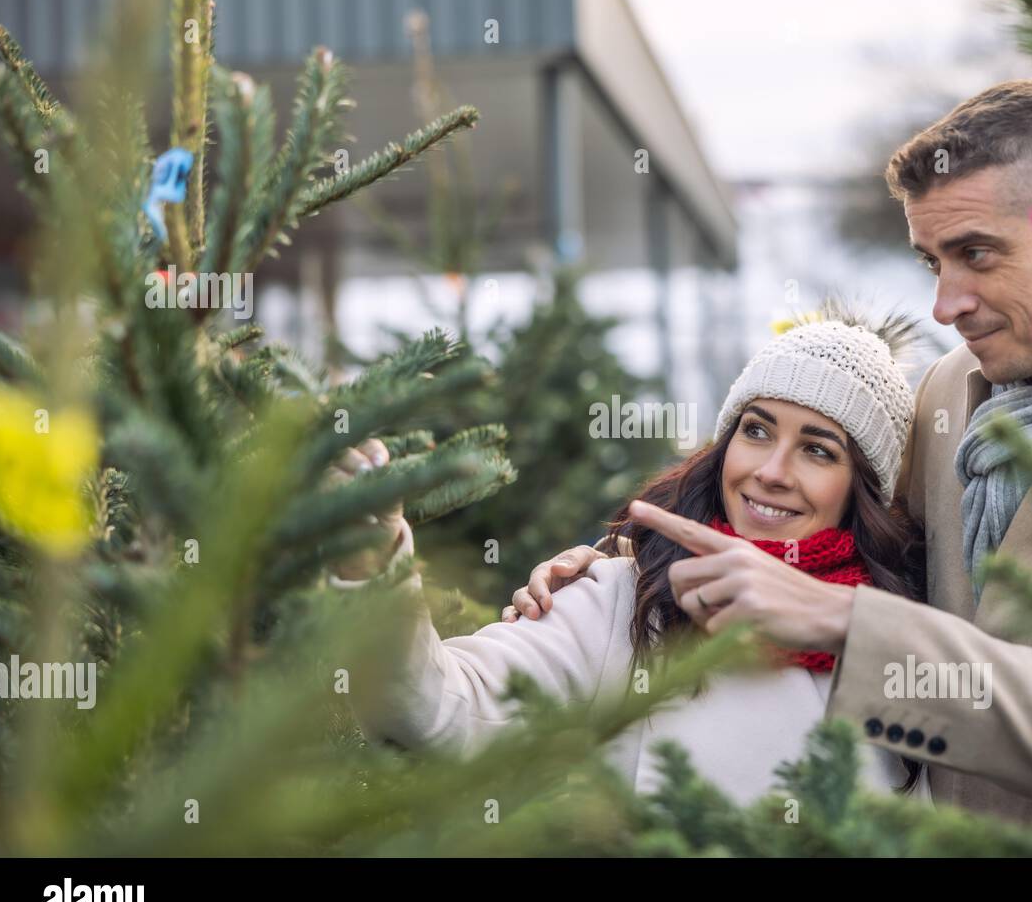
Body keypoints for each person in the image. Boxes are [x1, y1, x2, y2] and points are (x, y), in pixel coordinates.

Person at [507, 79, 1032, 824]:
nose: (945, 305)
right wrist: (620, 564)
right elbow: (829, 518)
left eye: (978, 254)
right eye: (932, 261)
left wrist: (851, 623)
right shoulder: (953, 390)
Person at [331, 308, 932, 807]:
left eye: (817, 451)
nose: (770, 472)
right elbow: (433, 710)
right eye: (756, 431)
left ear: (863, 490)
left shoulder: (898, 638)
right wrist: (372, 553)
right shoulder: (625, 596)